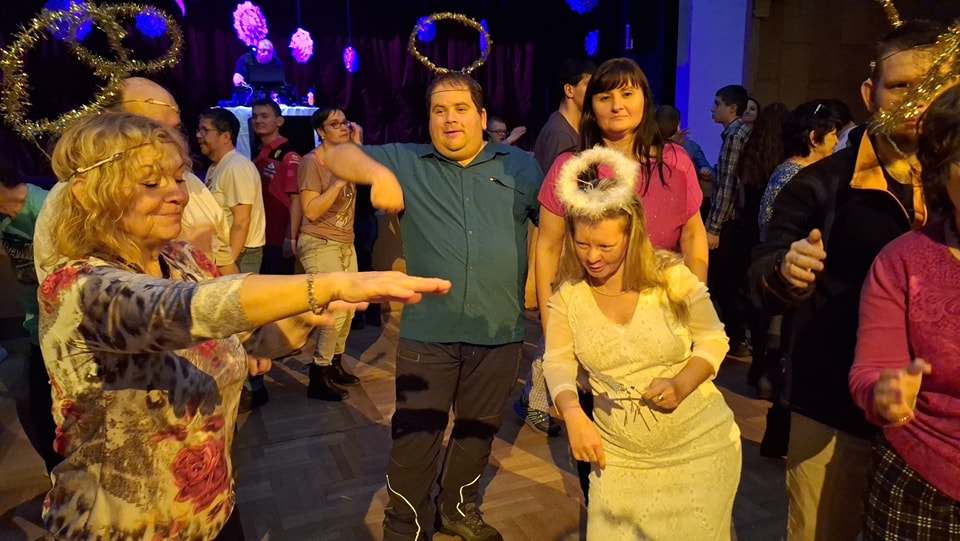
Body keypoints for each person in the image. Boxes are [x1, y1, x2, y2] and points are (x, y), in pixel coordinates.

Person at [37, 110, 450, 540]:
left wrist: (293, 326)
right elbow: (185, 310)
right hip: (118, 528)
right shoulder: (76, 288)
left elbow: (238, 344)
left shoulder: (184, 260)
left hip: (212, 511)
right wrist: (327, 284)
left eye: (177, 178)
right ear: (88, 193)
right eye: (150, 183)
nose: (177, 194)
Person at [321, 72, 542, 541]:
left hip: (499, 330)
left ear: (482, 116)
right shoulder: (407, 160)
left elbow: (555, 228)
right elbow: (335, 154)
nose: (450, 119)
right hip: (429, 332)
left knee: (478, 431)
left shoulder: (521, 167)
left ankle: (458, 509)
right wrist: (380, 174)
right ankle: (406, 527)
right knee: (415, 437)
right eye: (439, 110)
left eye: (460, 109)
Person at [747, 20, 943, 541]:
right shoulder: (822, 184)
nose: (916, 101)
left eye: (930, 86)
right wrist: (787, 270)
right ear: (869, 92)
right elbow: (762, 272)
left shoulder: (950, 184)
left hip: (934, 422)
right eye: (901, 86)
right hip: (833, 405)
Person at [534, 57, 708, 504]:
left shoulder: (674, 161)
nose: (617, 105)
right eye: (605, 96)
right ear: (590, 105)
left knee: (663, 433)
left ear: (644, 99)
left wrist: (694, 307)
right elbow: (548, 246)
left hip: (662, 319)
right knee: (598, 455)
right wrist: (551, 325)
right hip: (592, 318)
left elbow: (694, 236)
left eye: (627, 94)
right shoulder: (573, 167)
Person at [542, 151, 740, 540]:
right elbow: (558, 361)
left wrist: (682, 383)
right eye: (582, 244)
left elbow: (714, 338)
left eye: (605, 246)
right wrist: (573, 413)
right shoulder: (568, 296)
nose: (592, 257)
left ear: (631, 236)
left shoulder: (672, 278)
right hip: (619, 457)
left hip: (699, 450)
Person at [849, 83, 960, 539]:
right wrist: (884, 394)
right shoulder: (905, 260)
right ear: (942, 170)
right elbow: (871, 370)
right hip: (922, 480)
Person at [34, 78, 238, 281]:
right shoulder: (70, 201)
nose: (165, 140)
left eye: (174, 129)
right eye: (151, 183)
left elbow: (224, 264)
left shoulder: (185, 247)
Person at [517, 57, 595, 437]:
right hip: (562, 245)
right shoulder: (561, 135)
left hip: (573, 243)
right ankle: (534, 400)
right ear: (569, 89)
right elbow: (554, 203)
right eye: (590, 86)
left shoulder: (571, 130)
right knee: (558, 329)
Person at [198, 106, 269, 411]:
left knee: (242, 321)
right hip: (227, 256)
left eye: (205, 130)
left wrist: (230, 266)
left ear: (225, 136)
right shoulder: (217, 167)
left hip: (242, 255)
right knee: (231, 324)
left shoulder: (236, 167)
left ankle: (254, 389)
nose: (199, 136)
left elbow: (241, 222)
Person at [297, 105, 364, 401]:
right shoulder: (312, 163)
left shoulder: (346, 157)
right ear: (321, 132)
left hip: (345, 242)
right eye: (334, 124)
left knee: (349, 308)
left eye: (345, 122)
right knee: (334, 310)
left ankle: (335, 363)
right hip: (319, 241)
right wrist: (339, 182)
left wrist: (356, 147)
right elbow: (311, 211)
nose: (342, 128)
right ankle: (319, 373)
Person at [0, 161, 60, 474]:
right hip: (36, 326)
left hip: (61, 331)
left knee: (45, 414)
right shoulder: (5, 219)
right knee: (35, 411)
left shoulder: (47, 210)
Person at [706, 84, 752, 357]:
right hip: (735, 220)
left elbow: (728, 187)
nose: (712, 109)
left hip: (729, 222)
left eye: (717, 103)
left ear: (732, 108)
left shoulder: (735, 136)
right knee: (726, 282)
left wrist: (713, 227)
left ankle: (731, 338)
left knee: (719, 282)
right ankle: (735, 338)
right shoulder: (738, 134)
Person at [251, 98, 302, 275]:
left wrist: (290, 238)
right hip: (261, 237)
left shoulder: (289, 156)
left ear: (279, 121)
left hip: (280, 239)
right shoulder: (260, 153)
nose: (258, 120)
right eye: (255, 116)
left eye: (264, 116)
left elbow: (297, 199)